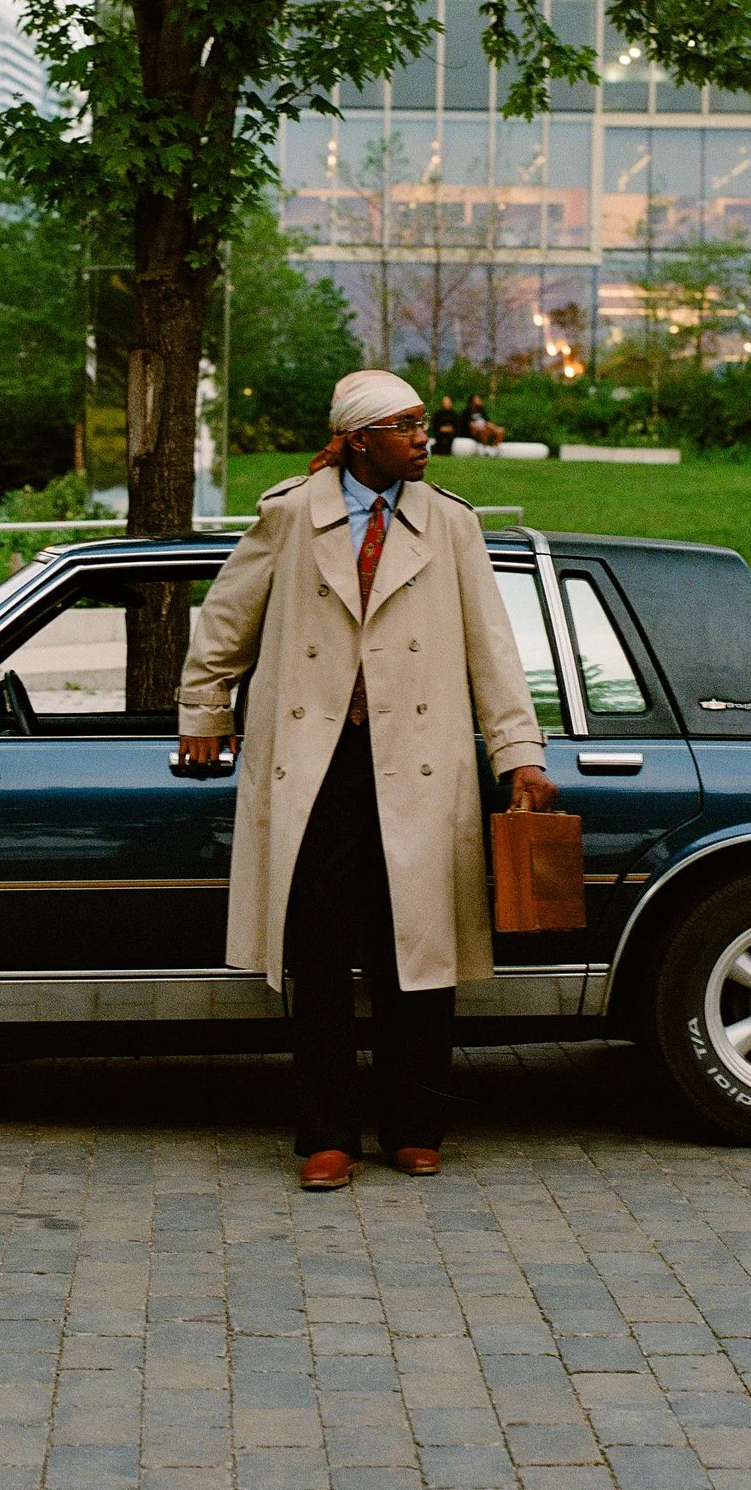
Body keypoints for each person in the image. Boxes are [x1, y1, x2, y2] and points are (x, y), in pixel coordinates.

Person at [176, 370, 557, 1193]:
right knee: (316, 952)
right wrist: (204, 714)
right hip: (317, 766)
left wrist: (519, 752)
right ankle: (325, 1135)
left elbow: (491, 646)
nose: (424, 437)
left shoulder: (450, 524)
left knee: (418, 950)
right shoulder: (291, 515)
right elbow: (227, 621)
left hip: (420, 763)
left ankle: (415, 1127)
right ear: (357, 440)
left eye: (423, 424)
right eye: (405, 426)